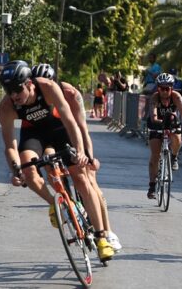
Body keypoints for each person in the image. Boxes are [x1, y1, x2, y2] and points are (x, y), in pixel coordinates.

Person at [0, 60, 115, 261]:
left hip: (59, 129)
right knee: (29, 172)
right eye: (9, 91)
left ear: (29, 83)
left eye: (17, 89)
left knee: (81, 178)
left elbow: (71, 122)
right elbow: (11, 146)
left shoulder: (48, 87)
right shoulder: (7, 106)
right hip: (34, 133)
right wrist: (15, 170)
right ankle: (56, 204)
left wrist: (80, 151)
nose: (14, 96)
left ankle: (102, 237)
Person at [30, 63, 122, 251]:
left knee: (89, 180)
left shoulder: (71, 95)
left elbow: (82, 129)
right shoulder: (34, 97)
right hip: (52, 137)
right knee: (49, 163)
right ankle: (65, 202)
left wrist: (87, 156)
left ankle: (107, 232)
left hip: (73, 137)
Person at [146, 73, 182, 199]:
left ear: (172, 88)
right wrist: (160, 122)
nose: (164, 92)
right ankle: (152, 186)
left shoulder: (176, 97)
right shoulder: (155, 98)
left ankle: (174, 156)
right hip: (156, 124)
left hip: (171, 123)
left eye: (167, 89)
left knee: (177, 137)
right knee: (155, 155)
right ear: (158, 88)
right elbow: (153, 116)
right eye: (162, 88)